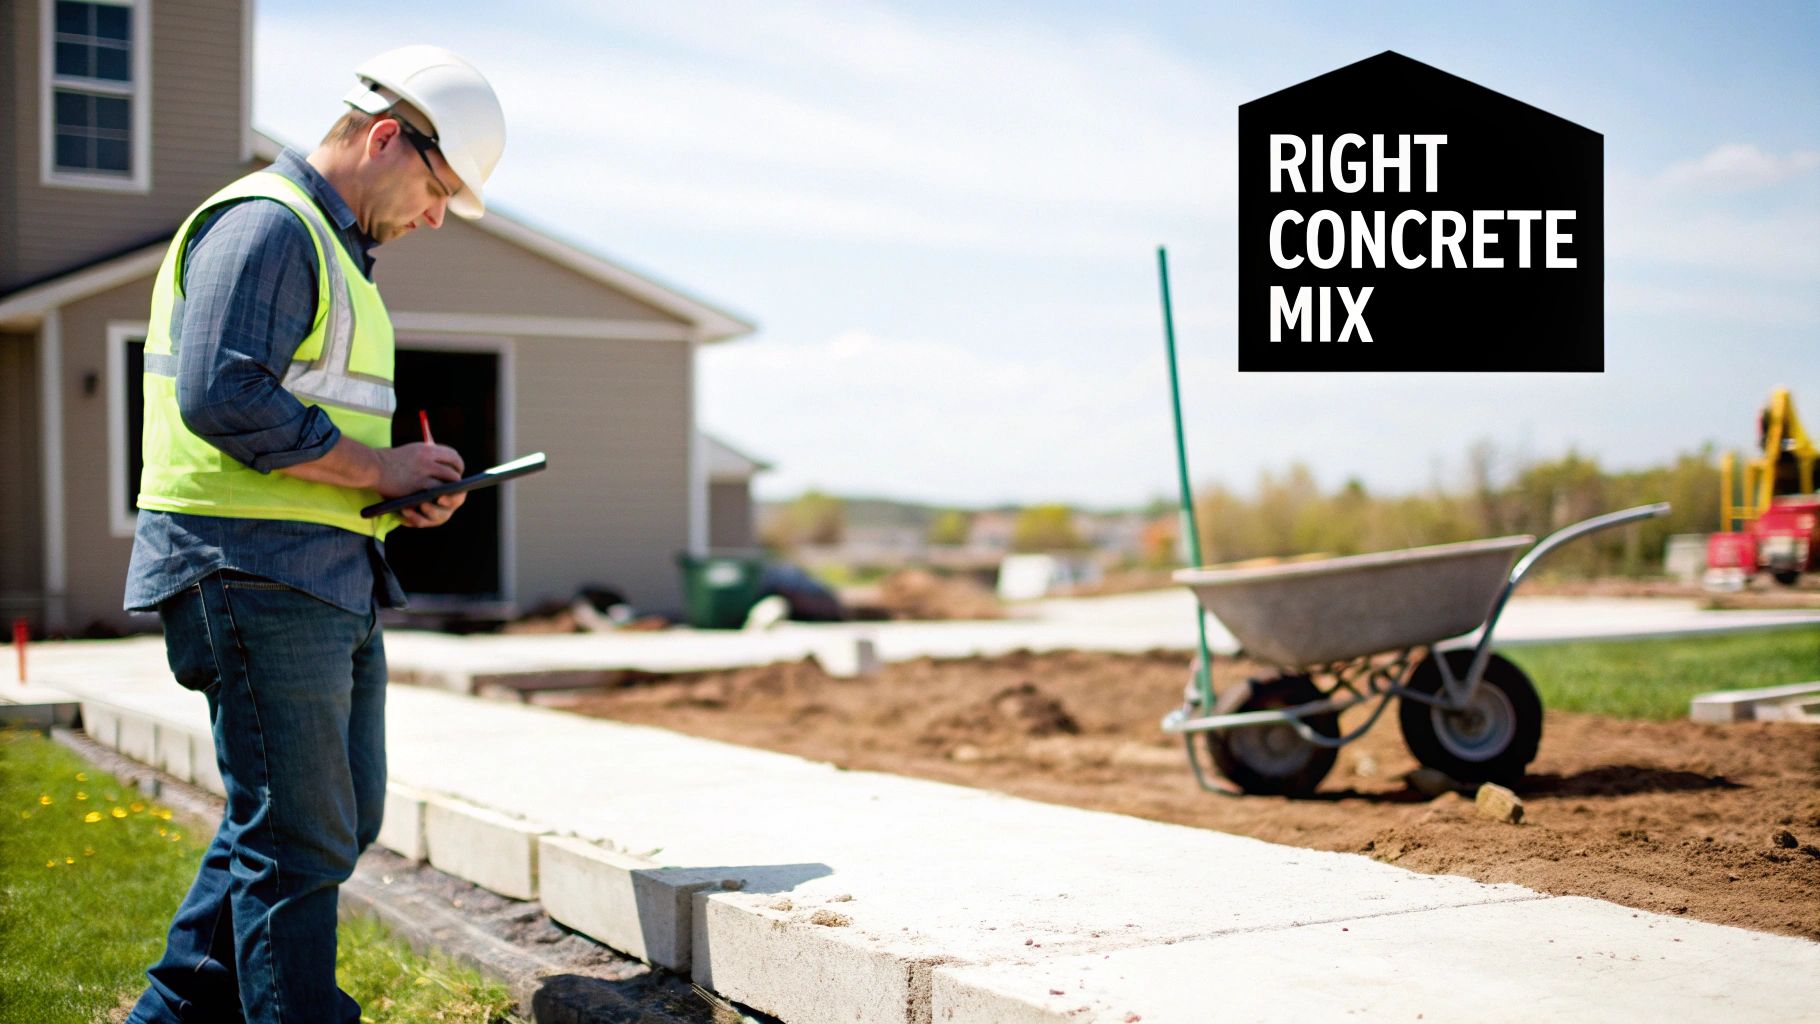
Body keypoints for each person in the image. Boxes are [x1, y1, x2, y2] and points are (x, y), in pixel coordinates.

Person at [120, 46, 506, 1024]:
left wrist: (392, 492)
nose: (432, 218)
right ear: (386, 137)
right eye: (436, 190)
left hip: (324, 569)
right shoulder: (268, 224)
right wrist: (378, 468)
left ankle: (168, 1013)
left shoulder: (338, 256)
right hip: (249, 572)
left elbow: (305, 432)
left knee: (327, 817)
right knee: (298, 833)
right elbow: (222, 392)